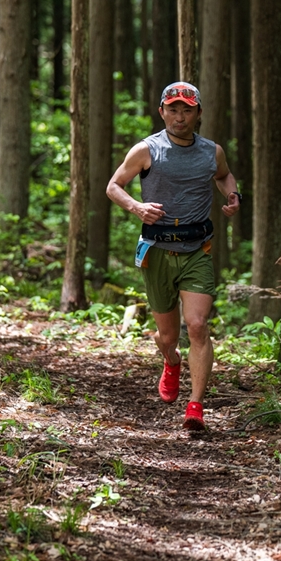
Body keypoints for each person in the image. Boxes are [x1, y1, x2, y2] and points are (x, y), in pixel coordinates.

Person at [106, 82, 240, 431]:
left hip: (197, 249)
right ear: (162, 112)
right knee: (167, 337)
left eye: (187, 110)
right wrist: (136, 207)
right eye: (173, 110)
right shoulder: (147, 150)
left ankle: (195, 406)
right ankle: (171, 360)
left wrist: (233, 195)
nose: (180, 117)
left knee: (197, 325)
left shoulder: (212, 152)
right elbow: (114, 186)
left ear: (198, 114)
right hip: (158, 250)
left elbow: (224, 176)